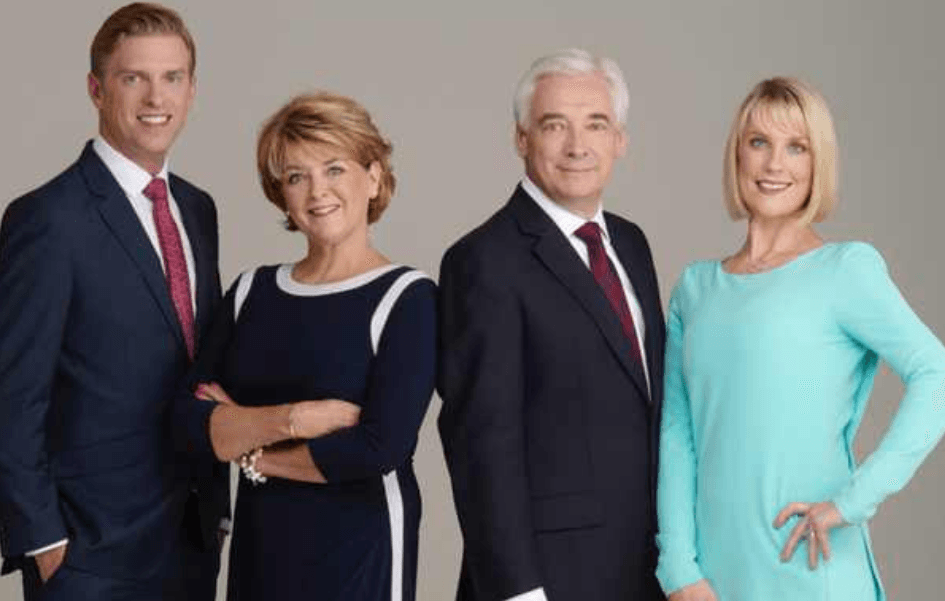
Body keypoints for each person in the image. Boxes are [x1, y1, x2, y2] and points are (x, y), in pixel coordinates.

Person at [655, 76, 945, 601]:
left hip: (811, 567)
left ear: (818, 164)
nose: (774, 165)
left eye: (797, 147)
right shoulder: (695, 289)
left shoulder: (845, 270)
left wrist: (853, 501)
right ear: (736, 154)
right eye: (759, 142)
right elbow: (678, 436)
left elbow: (937, 375)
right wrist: (679, 568)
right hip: (713, 579)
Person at [0, 3, 228, 600]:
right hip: (88, 557)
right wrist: (45, 541)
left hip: (192, 540)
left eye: (172, 77)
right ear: (97, 89)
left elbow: (198, 365)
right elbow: (12, 393)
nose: (157, 96)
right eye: (135, 78)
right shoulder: (48, 219)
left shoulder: (197, 210)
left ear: (192, 88)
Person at [174, 91, 436, 601]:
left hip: (362, 544)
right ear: (283, 196)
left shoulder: (407, 297)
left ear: (374, 177)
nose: (318, 191)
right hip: (264, 540)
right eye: (297, 176)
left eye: (334, 168)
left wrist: (252, 452)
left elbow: (378, 447)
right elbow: (185, 419)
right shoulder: (253, 292)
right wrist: (292, 419)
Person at [438, 48, 666, 601]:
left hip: (643, 570)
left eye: (596, 124)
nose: (577, 146)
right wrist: (518, 590)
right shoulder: (483, 260)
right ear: (521, 139)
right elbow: (481, 444)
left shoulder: (631, 245)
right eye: (554, 125)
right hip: (546, 579)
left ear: (620, 140)